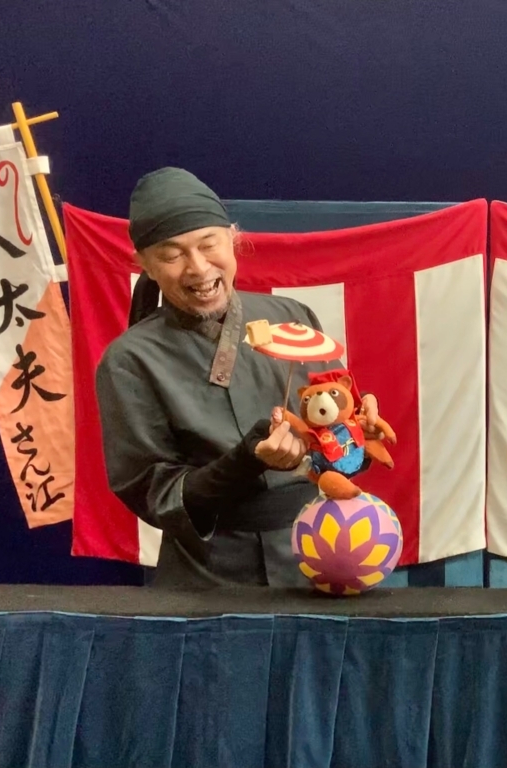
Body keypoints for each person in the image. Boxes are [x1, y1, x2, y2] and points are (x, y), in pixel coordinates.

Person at [96, 167, 381, 587]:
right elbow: (154, 492)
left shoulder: (293, 318)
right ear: (145, 265)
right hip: (209, 575)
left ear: (232, 238)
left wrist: (358, 433)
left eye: (208, 244)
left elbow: (330, 432)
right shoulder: (130, 360)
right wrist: (243, 464)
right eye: (172, 256)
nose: (198, 268)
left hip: (316, 555)